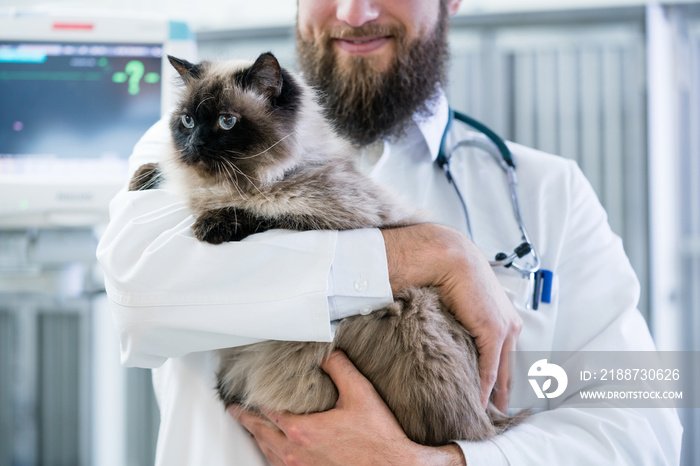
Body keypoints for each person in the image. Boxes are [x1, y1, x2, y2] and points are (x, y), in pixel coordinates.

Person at [96, 0, 683, 464]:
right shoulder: (188, 149)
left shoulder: (548, 189)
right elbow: (136, 303)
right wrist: (434, 253)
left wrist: (444, 465)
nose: (355, 12)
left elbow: (642, 426)